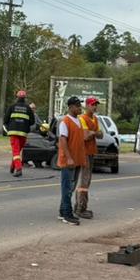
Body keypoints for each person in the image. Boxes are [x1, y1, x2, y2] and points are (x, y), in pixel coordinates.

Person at [55, 95, 85, 225]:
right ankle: (67, 214)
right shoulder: (65, 122)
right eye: (78, 106)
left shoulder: (78, 121)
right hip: (68, 161)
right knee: (67, 188)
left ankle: (63, 211)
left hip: (77, 160)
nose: (80, 108)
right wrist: (68, 157)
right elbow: (63, 140)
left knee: (71, 187)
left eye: (80, 106)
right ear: (71, 107)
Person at [73, 96, 101, 218]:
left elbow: (100, 134)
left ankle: (81, 206)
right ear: (87, 105)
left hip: (91, 152)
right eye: (93, 104)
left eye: (96, 104)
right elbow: (85, 136)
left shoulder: (95, 119)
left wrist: (92, 133)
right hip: (83, 153)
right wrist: (94, 133)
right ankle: (80, 208)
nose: (95, 107)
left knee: (87, 180)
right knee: (84, 181)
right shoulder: (82, 118)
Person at [3, 89, 35, 177]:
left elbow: (5, 120)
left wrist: (9, 126)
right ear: (25, 98)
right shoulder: (28, 108)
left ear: (17, 97)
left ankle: (18, 169)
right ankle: (13, 166)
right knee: (17, 151)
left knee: (15, 151)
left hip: (13, 132)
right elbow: (32, 121)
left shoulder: (12, 107)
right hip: (23, 133)